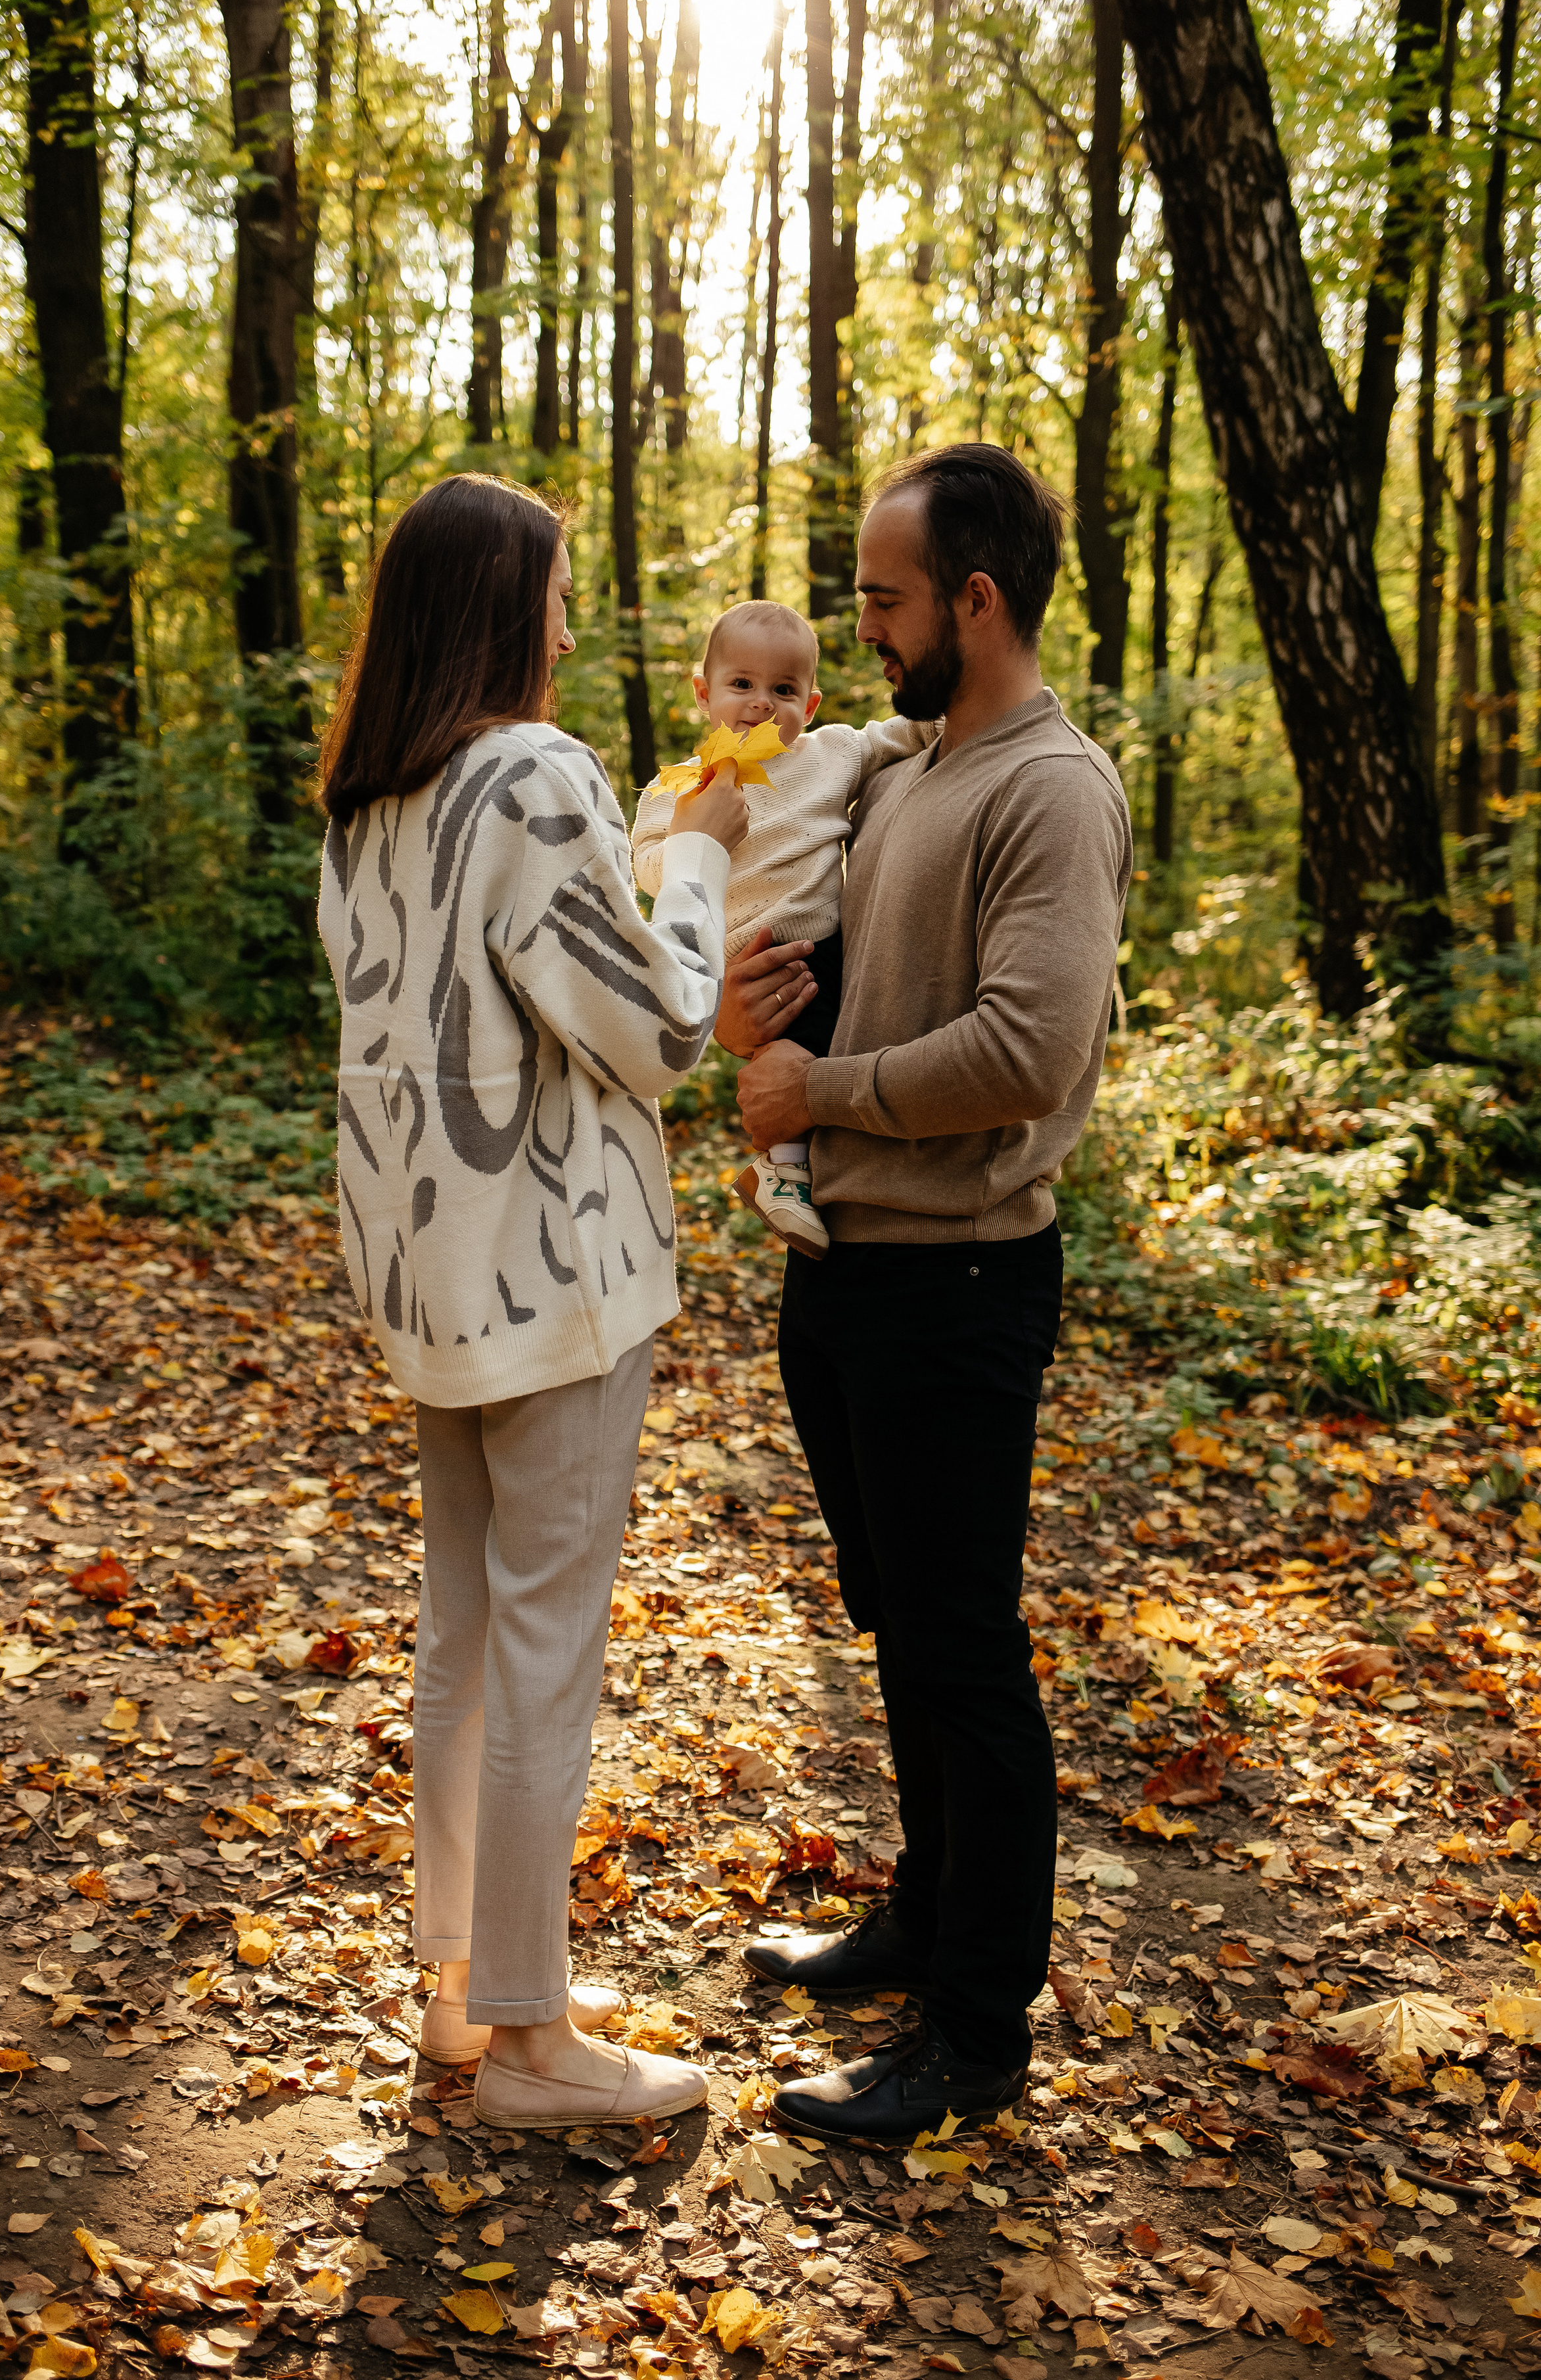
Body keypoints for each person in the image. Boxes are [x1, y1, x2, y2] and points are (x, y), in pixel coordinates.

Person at [317, 473, 749, 2132]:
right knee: (543, 1650)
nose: (574, 625)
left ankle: (456, 1988)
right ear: (503, 605)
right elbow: (656, 1032)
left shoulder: (369, 800)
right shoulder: (532, 775)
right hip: (553, 1279)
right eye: (559, 593)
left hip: (430, 1281)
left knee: (467, 1638)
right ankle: (531, 2044)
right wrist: (698, 868)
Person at [717, 444, 1133, 2143]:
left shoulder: (1051, 786)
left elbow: (1034, 1050)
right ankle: (921, 1913)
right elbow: (820, 955)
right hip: (847, 1272)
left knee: (965, 1648)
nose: (862, 627)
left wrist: (829, 1094)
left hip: (962, 1277)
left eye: (885, 599)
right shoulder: (900, 767)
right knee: (902, 1623)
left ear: (975, 597)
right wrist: (761, 1016)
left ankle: (976, 2027)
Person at [629, 599, 934, 1257]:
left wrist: (960, 710)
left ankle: (797, 1169)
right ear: (704, 693)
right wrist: (690, 834)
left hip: (824, 944)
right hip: (741, 955)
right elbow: (648, 865)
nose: (762, 703)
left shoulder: (830, 755)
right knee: (788, 1052)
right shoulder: (678, 786)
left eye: (784, 690)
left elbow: (902, 735)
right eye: (742, 685)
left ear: (812, 704)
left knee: (828, 1053)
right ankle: (783, 1171)